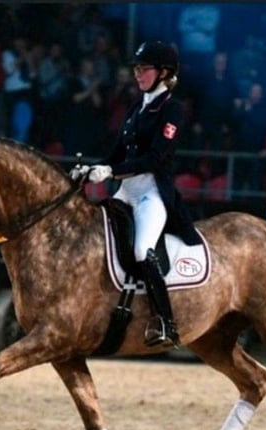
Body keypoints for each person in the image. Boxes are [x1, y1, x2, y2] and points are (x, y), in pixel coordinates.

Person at [73, 41, 201, 348]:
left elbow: (155, 158)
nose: (137, 74)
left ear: (164, 73)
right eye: (137, 68)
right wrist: (93, 169)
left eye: (144, 69)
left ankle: (166, 322)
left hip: (151, 194)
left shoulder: (172, 109)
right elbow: (116, 152)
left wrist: (112, 172)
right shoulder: (136, 106)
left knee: (143, 249)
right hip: (125, 191)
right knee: (94, 235)